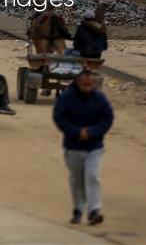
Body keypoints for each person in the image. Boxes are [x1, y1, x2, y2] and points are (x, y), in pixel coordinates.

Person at [53, 70, 114, 226]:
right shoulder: (66, 99)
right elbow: (59, 118)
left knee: (92, 176)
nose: (87, 88)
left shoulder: (99, 98)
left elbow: (108, 117)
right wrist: (77, 132)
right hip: (74, 147)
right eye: (84, 85)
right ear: (78, 83)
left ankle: (94, 211)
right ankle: (78, 210)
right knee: (77, 178)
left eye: (90, 85)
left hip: (94, 147)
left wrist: (92, 132)